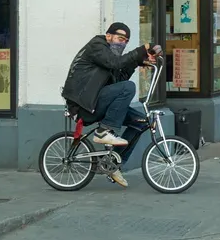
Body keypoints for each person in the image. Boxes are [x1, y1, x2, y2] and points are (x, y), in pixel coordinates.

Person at [61, 22, 160, 187]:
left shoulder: (110, 58)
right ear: (108, 36)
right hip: (83, 105)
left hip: (97, 102)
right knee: (129, 88)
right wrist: (142, 50)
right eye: (120, 38)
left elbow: (119, 79)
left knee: (141, 122)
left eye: (126, 41)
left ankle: (112, 164)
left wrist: (137, 62)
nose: (122, 43)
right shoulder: (97, 45)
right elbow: (116, 63)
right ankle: (103, 131)